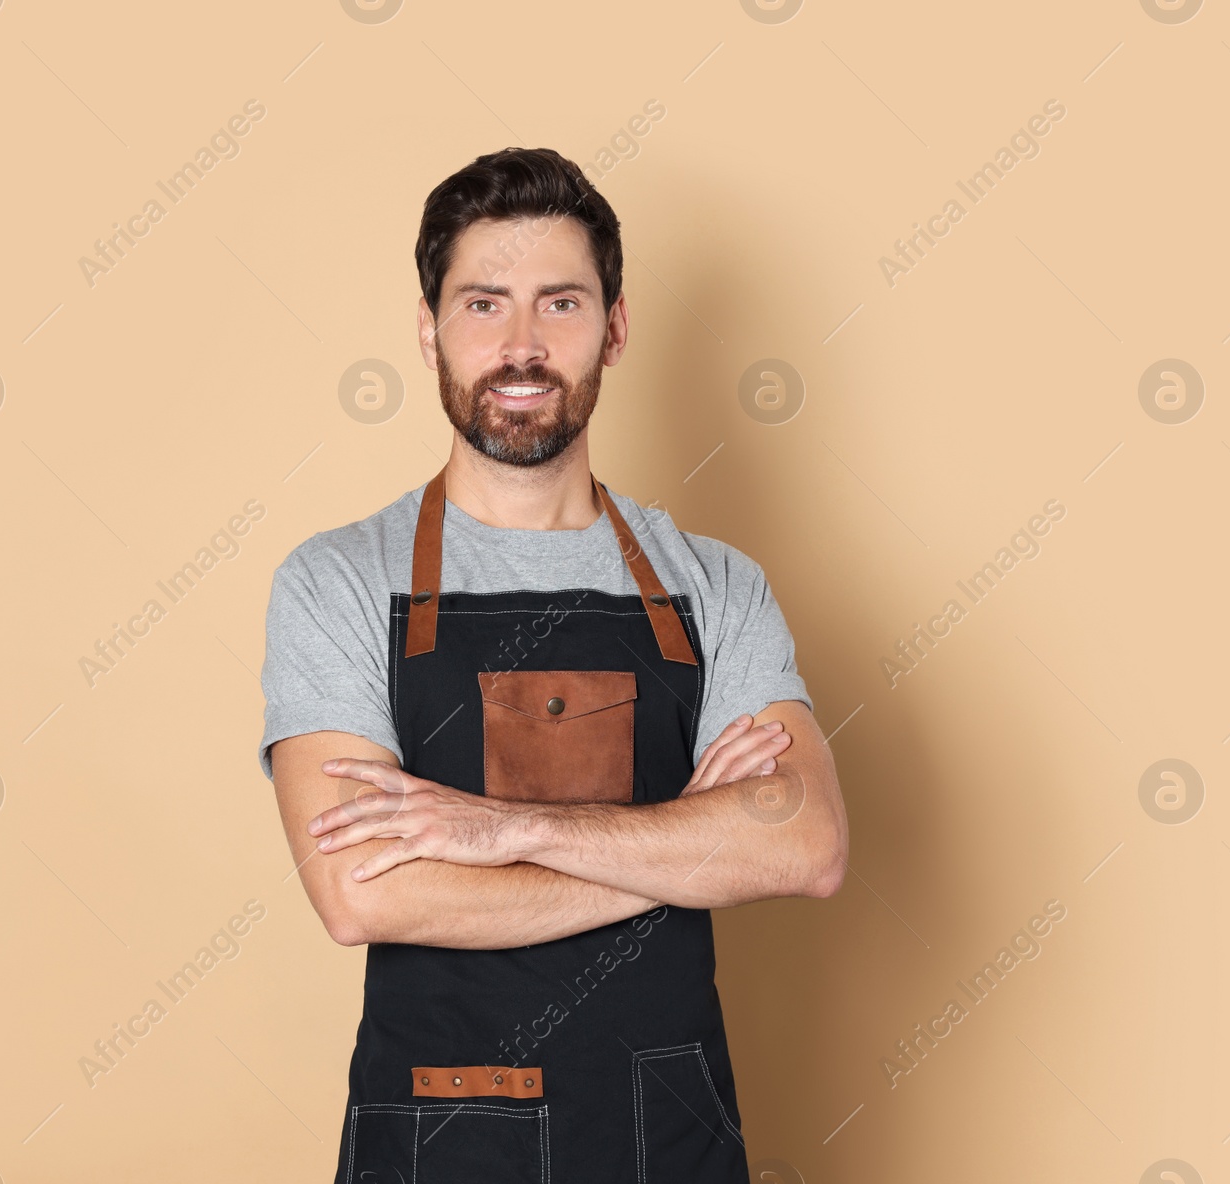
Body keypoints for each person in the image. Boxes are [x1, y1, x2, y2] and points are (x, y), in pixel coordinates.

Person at [259, 146, 848, 1184]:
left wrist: (505, 830)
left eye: (560, 303)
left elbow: (802, 842)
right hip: (439, 1134)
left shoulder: (714, 584)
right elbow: (363, 893)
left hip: (671, 1136)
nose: (521, 345)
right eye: (483, 303)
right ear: (428, 326)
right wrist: (677, 851)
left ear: (615, 328)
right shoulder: (338, 580)